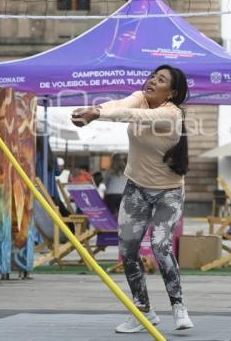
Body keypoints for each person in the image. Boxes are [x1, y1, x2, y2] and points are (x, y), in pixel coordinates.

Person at [71, 64, 193, 333]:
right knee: (127, 250)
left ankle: (178, 306)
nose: (152, 81)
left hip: (168, 192)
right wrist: (98, 110)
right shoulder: (141, 97)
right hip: (136, 188)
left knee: (161, 245)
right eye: (152, 76)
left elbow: (129, 114)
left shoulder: (169, 115)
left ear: (171, 92)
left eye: (160, 80)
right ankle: (143, 311)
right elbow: (122, 103)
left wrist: (95, 114)